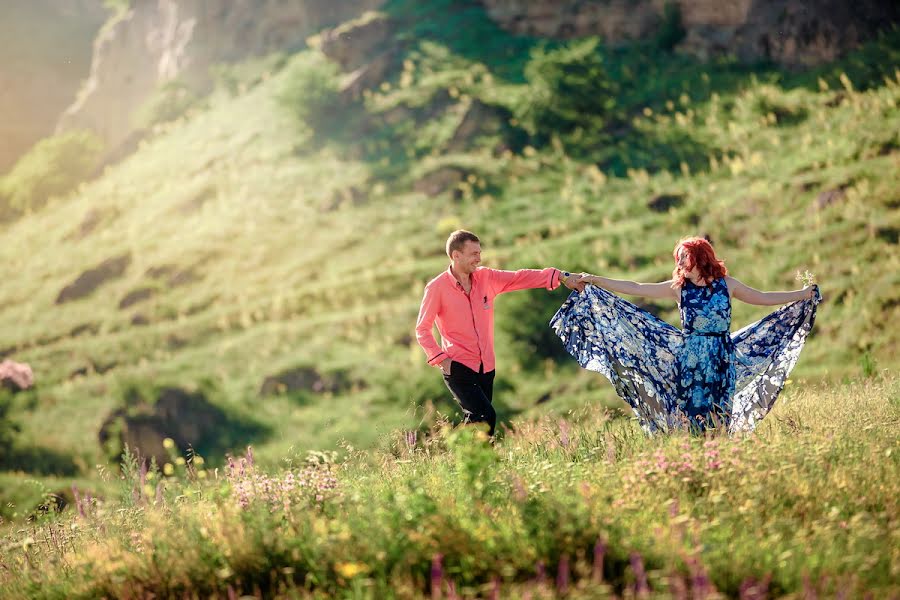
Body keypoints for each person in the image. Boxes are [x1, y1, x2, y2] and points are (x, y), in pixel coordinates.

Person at [552, 236, 820, 433]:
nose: (679, 262)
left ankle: (719, 461)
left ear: (701, 257)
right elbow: (635, 287)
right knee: (694, 418)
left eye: (684, 256)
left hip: (721, 358)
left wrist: (802, 295)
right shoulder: (677, 288)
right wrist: (596, 279)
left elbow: (763, 297)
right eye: (678, 258)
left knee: (720, 418)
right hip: (690, 361)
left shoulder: (727, 285)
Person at [416, 230, 583, 437]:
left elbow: (520, 277)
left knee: (479, 422)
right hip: (457, 366)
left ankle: (472, 463)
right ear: (456, 255)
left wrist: (561, 276)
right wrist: (442, 360)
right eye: (473, 253)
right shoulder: (436, 288)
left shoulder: (486, 277)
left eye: (479, 252)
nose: (479, 258)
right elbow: (422, 329)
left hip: (487, 365)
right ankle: (474, 461)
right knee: (485, 415)